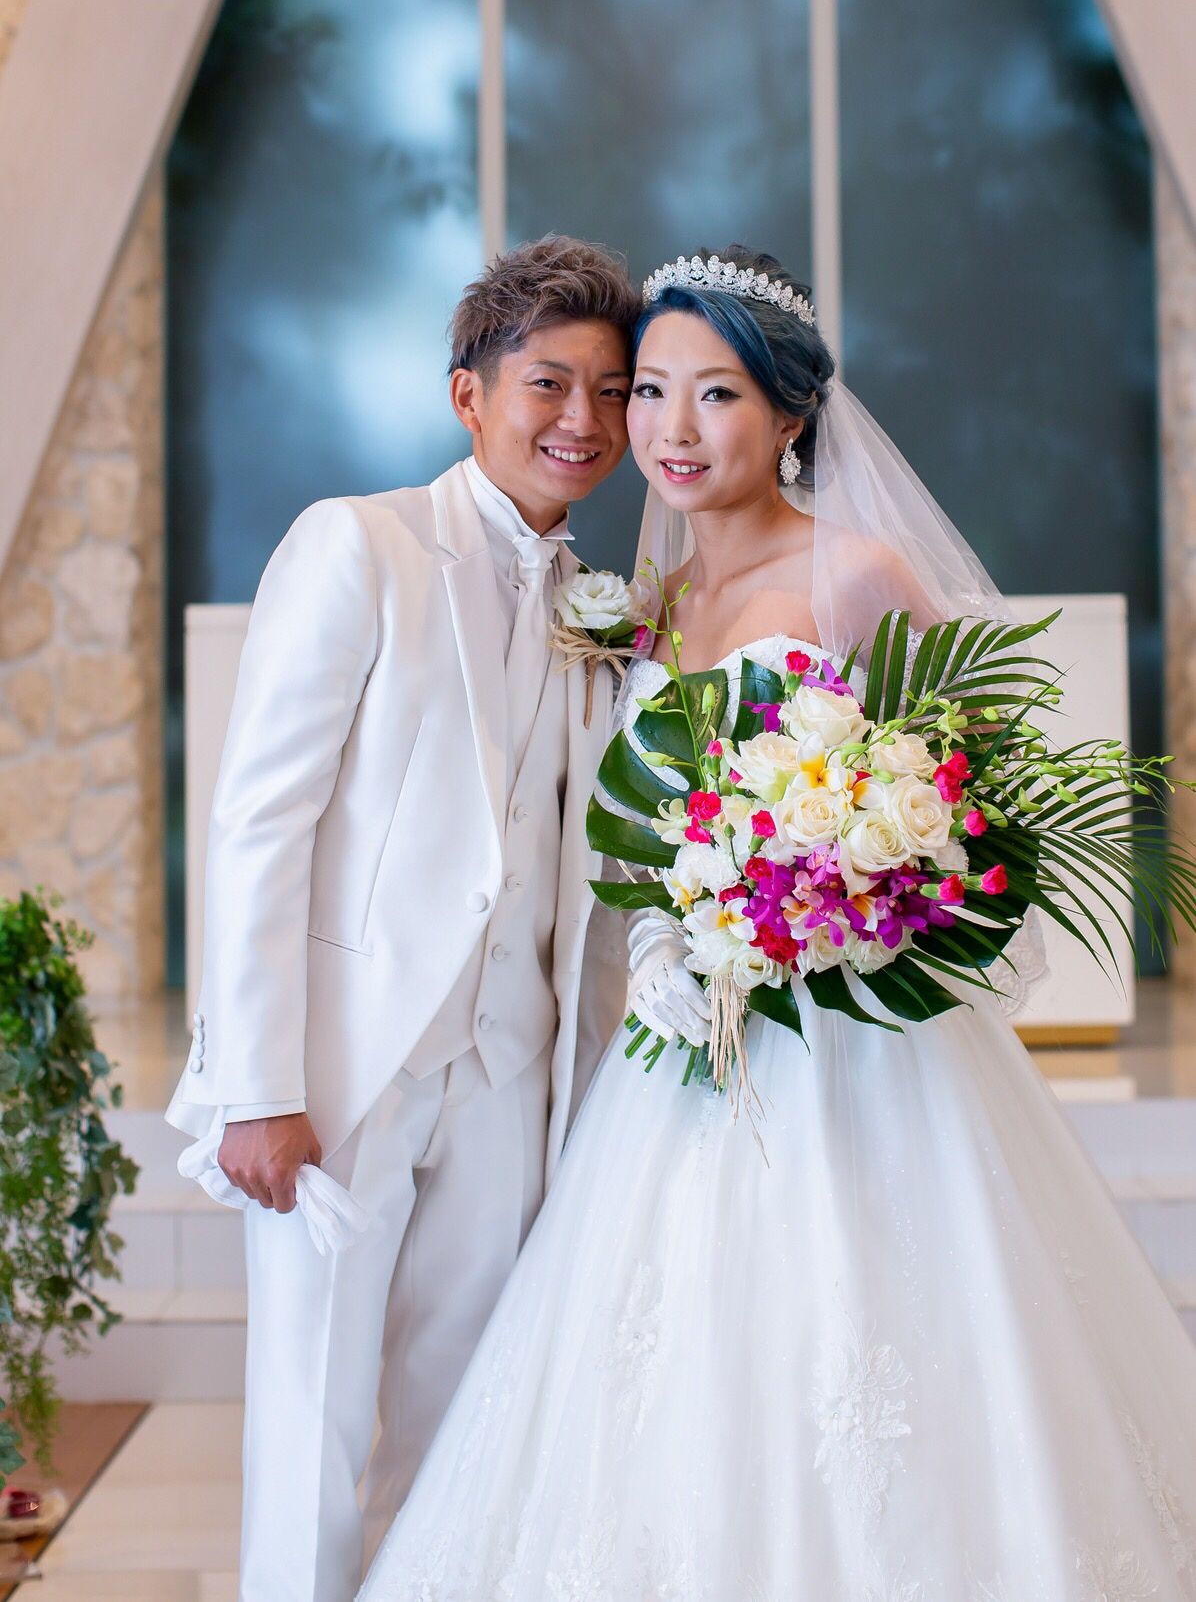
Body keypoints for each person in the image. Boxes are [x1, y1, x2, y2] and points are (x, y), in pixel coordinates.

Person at [358, 245, 1196, 1601]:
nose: (672, 430)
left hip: (855, 1055)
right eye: (651, 393)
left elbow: (982, 824)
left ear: (793, 413)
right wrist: (682, 932)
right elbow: (627, 834)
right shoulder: (645, 611)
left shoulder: (857, 574)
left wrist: (846, 895)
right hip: (684, 1055)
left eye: (719, 394)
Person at [165, 234, 639, 1602]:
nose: (585, 419)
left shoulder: (603, 610)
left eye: (613, 393)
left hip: (509, 1076)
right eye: (550, 384)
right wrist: (258, 1088)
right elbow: (260, 822)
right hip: (342, 1079)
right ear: (467, 395)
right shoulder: (359, 544)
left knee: (460, 1435)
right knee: (310, 1435)